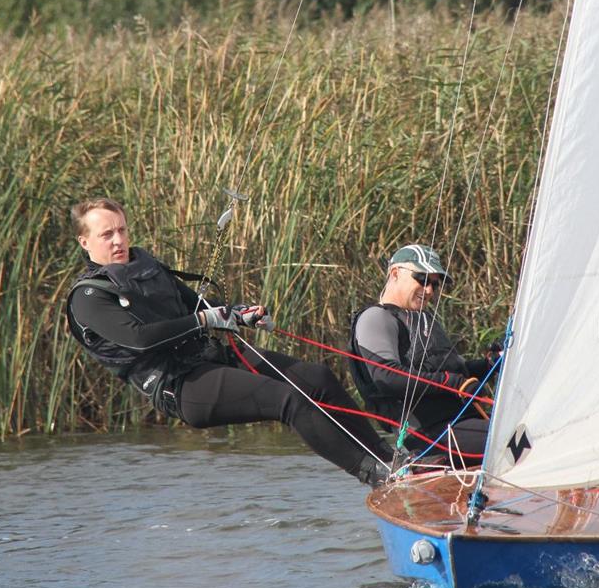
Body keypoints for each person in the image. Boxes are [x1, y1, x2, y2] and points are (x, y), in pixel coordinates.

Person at [66, 197, 393, 486]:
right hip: (180, 386)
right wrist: (204, 320)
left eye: (122, 230)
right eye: (106, 235)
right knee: (288, 400)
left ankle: (390, 459)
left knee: (316, 377)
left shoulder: (146, 266)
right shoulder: (89, 296)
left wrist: (239, 314)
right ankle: (374, 474)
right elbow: (139, 339)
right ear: (85, 242)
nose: (118, 240)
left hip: (210, 358)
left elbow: (199, 308)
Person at [349, 244, 500, 459]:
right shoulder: (376, 318)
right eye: (422, 279)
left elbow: (456, 372)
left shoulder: (424, 320)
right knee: (519, 438)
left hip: (466, 422)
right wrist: (452, 382)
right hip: (430, 435)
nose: (429, 290)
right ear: (395, 274)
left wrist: (490, 365)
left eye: (435, 284)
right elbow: (388, 376)